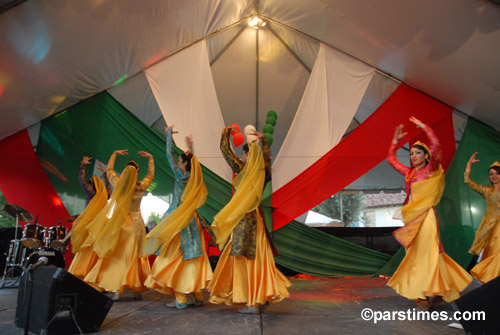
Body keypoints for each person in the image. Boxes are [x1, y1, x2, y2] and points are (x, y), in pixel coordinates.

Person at [387, 116, 472, 306]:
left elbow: (436, 147)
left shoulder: (431, 169)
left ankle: (425, 292)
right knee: (415, 255)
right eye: (411, 154)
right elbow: (390, 159)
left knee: (430, 252)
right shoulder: (409, 173)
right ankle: (429, 289)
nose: (414, 156)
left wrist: (425, 127)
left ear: (426, 156)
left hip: (427, 218)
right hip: (412, 218)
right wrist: (395, 139)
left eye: (418, 153)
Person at [208, 125, 291, 314]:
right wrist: (264, 143)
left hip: (245, 220)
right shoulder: (263, 172)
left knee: (245, 260)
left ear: (246, 155)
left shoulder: (244, 170)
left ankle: (252, 302)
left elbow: (225, 151)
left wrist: (225, 133)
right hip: (258, 221)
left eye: (245, 154)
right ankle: (260, 296)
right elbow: (266, 160)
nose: (243, 157)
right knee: (259, 259)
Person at [144, 126, 213, 309]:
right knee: (192, 256)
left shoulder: (180, 174)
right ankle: (197, 295)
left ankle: (181, 298)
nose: (177, 161)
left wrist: (168, 135)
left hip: (177, 220)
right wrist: (192, 149)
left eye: (180, 160)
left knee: (174, 256)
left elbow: (168, 154)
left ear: (182, 163)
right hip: (192, 219)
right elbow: (194, 163)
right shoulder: (194, 175)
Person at [83, 149, 154, 300]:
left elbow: (109, 170)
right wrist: (151, 159)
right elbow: (150, 175)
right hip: (136, 225)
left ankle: (116, 289)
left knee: (117, 255)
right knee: (135, 255)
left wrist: (114, 154)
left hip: (121, 224)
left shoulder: (118, 185)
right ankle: (137, 290)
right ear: (136, 174)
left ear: (124, 173)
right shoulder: (141, 186)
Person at [68, 156, 112, 279]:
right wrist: (105, 173)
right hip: (101, 226)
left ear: (91, 184)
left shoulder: (91, 193)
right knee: (97, 251)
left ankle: (82, 272)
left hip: (89, 226)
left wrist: (83, 165)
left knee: (84, 247)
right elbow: (108, 186)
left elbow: (81, 179)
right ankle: (96, 276)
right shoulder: (107, 195)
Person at [464, 153, 500, 283]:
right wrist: (468, 166)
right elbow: (468, 182)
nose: (494, 176)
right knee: (492, 252)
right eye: (491, 174)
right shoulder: (487, 190)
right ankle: (492, 280)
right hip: (490, 226)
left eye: (497, 173)